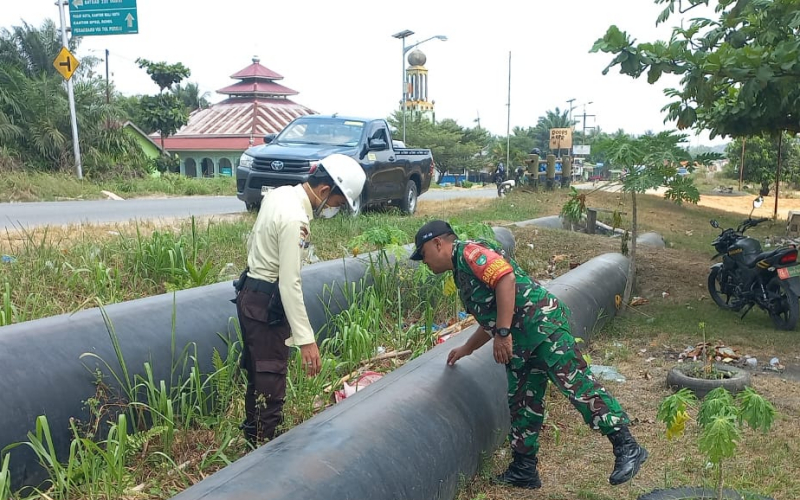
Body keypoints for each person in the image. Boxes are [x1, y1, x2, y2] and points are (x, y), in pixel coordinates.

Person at [409, 220, 647, 489]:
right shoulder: (460, 272)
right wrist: (467, 348)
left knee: (577, 385)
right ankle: (524, 469)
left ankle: (626, 446)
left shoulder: (470, 253)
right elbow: (491, 313)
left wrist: (502, 333)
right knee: (523, 402)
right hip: (521, 340)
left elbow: (505, 279)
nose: (424, 262)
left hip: (542, 328)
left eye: (423, 254)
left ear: (438, 243)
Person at [234, 153, 366, 445]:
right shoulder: (296, 219)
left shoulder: (281, 195)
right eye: (337, 202)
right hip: (267, 302)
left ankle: (253, 440)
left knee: (258, 374)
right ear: (323, 191)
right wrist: (306, 339)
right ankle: (264, 450)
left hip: (250, 293)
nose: (334, 208)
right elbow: (289, 282)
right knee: (271, 379)